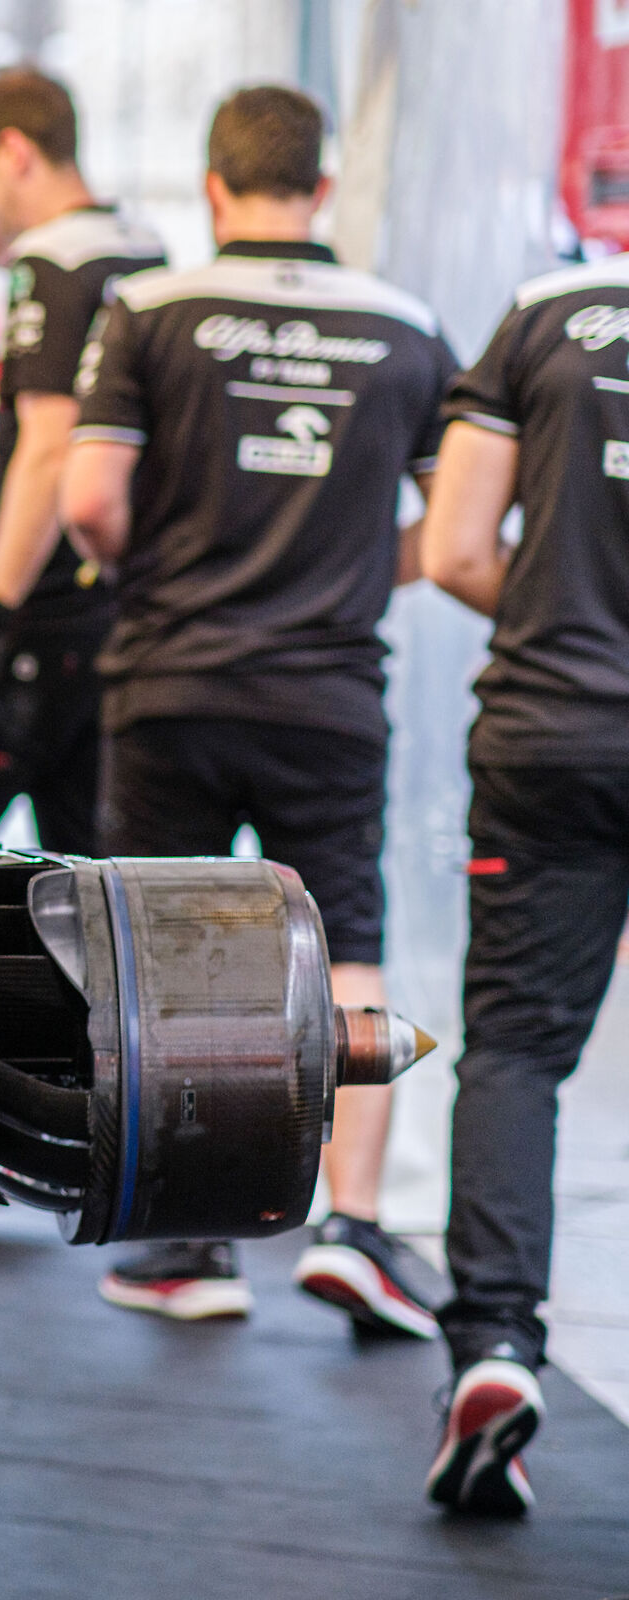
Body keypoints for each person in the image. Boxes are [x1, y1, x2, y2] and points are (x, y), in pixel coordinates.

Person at [59, 86, 454, 1330]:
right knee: (351, 936)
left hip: (173, 675)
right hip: (329, 689)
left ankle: (185, 1248)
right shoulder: (406, 326)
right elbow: (444, 537)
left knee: (162, 960)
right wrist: (342, 579)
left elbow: (89, 503)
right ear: (322, 188)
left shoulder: (151, 310)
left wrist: (168, 568)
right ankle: (355, 1223)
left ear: (213, 185)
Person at [0, 68, 166, 1226]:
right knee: (96, 898)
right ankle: (108, 1156)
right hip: (114, 628)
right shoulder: (151, 256)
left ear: (16, 150)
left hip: (42, 632)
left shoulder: (59, 267)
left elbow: (52, 451)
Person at [411, 253, 629, 1516]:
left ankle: (494, 1344)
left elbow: (451, 550)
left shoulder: (548, 317)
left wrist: (554, 611)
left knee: (517, 1055)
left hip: (553, 731)